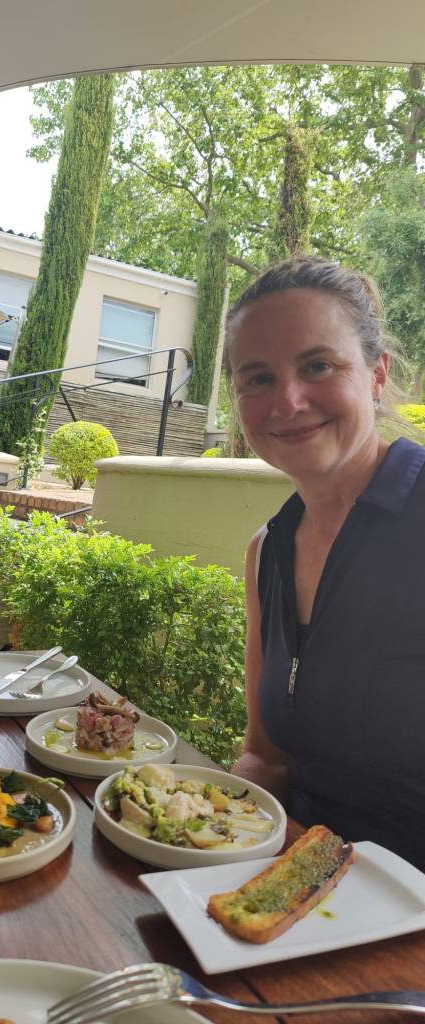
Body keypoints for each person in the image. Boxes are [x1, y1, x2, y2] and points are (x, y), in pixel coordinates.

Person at [227, 254, 425, 869]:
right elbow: (266, 757)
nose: (287, 402)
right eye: (258, 378)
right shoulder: (267, 550)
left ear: (375, 373)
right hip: (299, 886)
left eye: (318, 366)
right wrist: (199, 829)